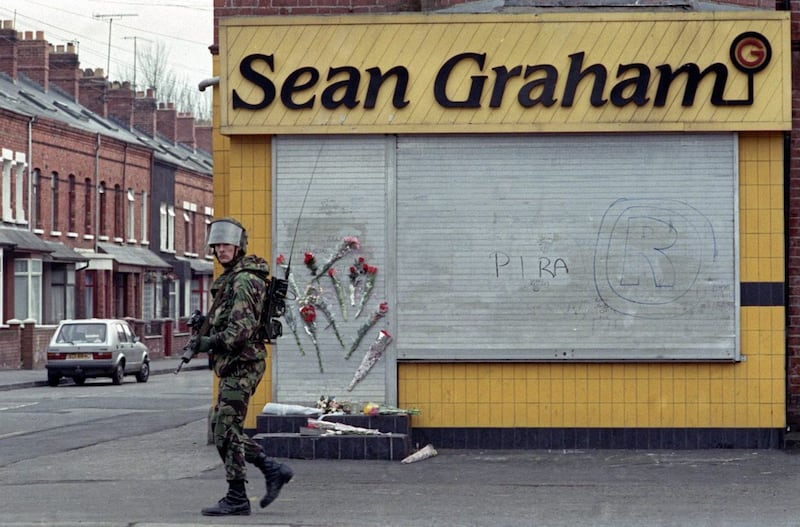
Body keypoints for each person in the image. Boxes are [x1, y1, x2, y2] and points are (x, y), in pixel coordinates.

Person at [196, 217, 293, 516]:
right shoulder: (234, 277)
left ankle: (238, 496)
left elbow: (238, 333)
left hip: (243, 364)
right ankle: (272, 469)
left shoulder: (243, 280)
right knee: (225, 428)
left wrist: (208, 342)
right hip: (237, 363)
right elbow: (230, 322)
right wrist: (204, 327)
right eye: (217, 245)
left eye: (226, 244)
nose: (221, 250)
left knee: (224, 429)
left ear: (238, 247)